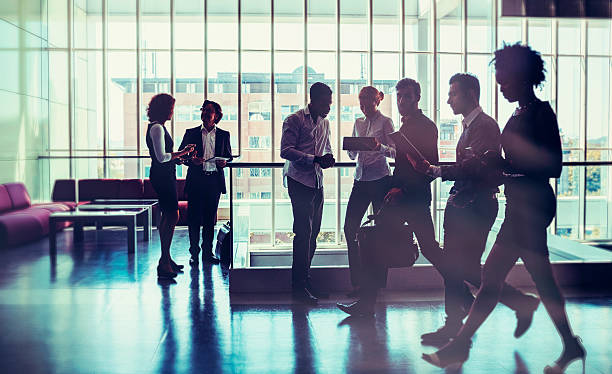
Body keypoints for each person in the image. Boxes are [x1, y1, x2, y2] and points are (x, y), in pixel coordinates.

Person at [422, 44, 586, 374]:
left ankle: (462, 347)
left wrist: (503, 167)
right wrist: (497, 165)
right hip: (520, 207)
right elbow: (513, 163)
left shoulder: (541, 113)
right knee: (507, 279)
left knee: (500, 279)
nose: (499, 86)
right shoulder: (519, 113)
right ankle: (567, 344)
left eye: (504, 81)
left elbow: (552, 165)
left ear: (522, 78)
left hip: (532, 207)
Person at [414, 73, 540, 346]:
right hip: (465, 204)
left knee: (464, 267)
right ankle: (456, 323)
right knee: (455, 266)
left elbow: (478, 167)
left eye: (453, 94)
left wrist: (437, 170)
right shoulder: (472, 126)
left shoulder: (484, 127)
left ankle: (515, 303)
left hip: (475, 207)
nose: (448, 99)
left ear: (471, 95)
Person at [337, 78, 447, 316]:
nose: (401, 101)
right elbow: (404, 165)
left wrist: (401, 189)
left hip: (413, 198)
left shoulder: (425, 126)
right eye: (398, 96)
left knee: (429, 247)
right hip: (398, 195)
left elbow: (429, 168)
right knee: (377, 245)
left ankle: (464, 288)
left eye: (407, 96)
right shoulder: (405, 126)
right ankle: (366, 303)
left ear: (417, 97)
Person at [281, 82, 335, 305]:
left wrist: (328, 157)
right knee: (303, 234)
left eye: (330, 103)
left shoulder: (325, 122)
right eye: (326, 102)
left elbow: (327, 146)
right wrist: (313, 159)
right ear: (313, 99)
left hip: (317, 182)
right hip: (299, 181)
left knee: (314, 234)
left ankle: (305, 279)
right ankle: (298, 286)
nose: (329, 107)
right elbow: (285, 151)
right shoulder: (294, 120)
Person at [343, 86, 395, 298]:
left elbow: (395, 152)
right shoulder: (358, 122)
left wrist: (379, 147)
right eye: (360, 101)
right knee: (349, 228)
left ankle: (376, 285)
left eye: (367, 101)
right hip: (361, 180)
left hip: (381, 180)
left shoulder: (386, 122)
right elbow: (352, 155)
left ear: (378, 100)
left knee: (381, 232)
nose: (363, 105)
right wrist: (350, 146)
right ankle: (357, 283)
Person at [145, 93, 195, 278]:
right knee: (173, 215)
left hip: (166, 174)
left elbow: (166, 156)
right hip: (162, 176)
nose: (173, 112)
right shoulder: (157, 128)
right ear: (165, 109)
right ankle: (164, 261)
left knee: (169, 215)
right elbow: (162, 157)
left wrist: (179, 157)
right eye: (171, 108)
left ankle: (166, 259)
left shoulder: (158, 127)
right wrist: (181, 152)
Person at [179, 100, 233, 267]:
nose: (204, 113)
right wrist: (192, 160)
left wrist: (225, 162)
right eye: (203, 110)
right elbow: (181, 156)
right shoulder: (191, 133)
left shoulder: (224, 135)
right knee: (194, 219)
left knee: (210, 220)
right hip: (196, 180)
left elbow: (229, 156)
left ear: (216, 115)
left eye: (208, 111)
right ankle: (194, 253)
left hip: (214, 182)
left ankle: (207, 253)